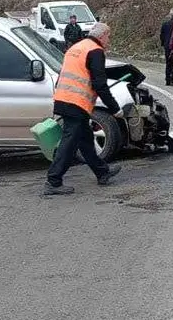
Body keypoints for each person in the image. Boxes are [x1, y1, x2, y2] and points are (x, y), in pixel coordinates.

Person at [43, 23, 127, 196]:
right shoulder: (95, 51)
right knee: (69, 143)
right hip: (76, 102)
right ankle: (53, 181)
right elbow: (100, 84)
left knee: (85, 139)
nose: (109, 40)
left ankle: (102, 172)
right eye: (108, 36)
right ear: (102, 35)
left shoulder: (77, 47)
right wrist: (114, 108)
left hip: (64, 98)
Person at [160, 9, 173, 86]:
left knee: (168, 63)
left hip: (167, 45)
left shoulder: (165, 24)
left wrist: (163, 43)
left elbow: (162, 35)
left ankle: (168, 79)